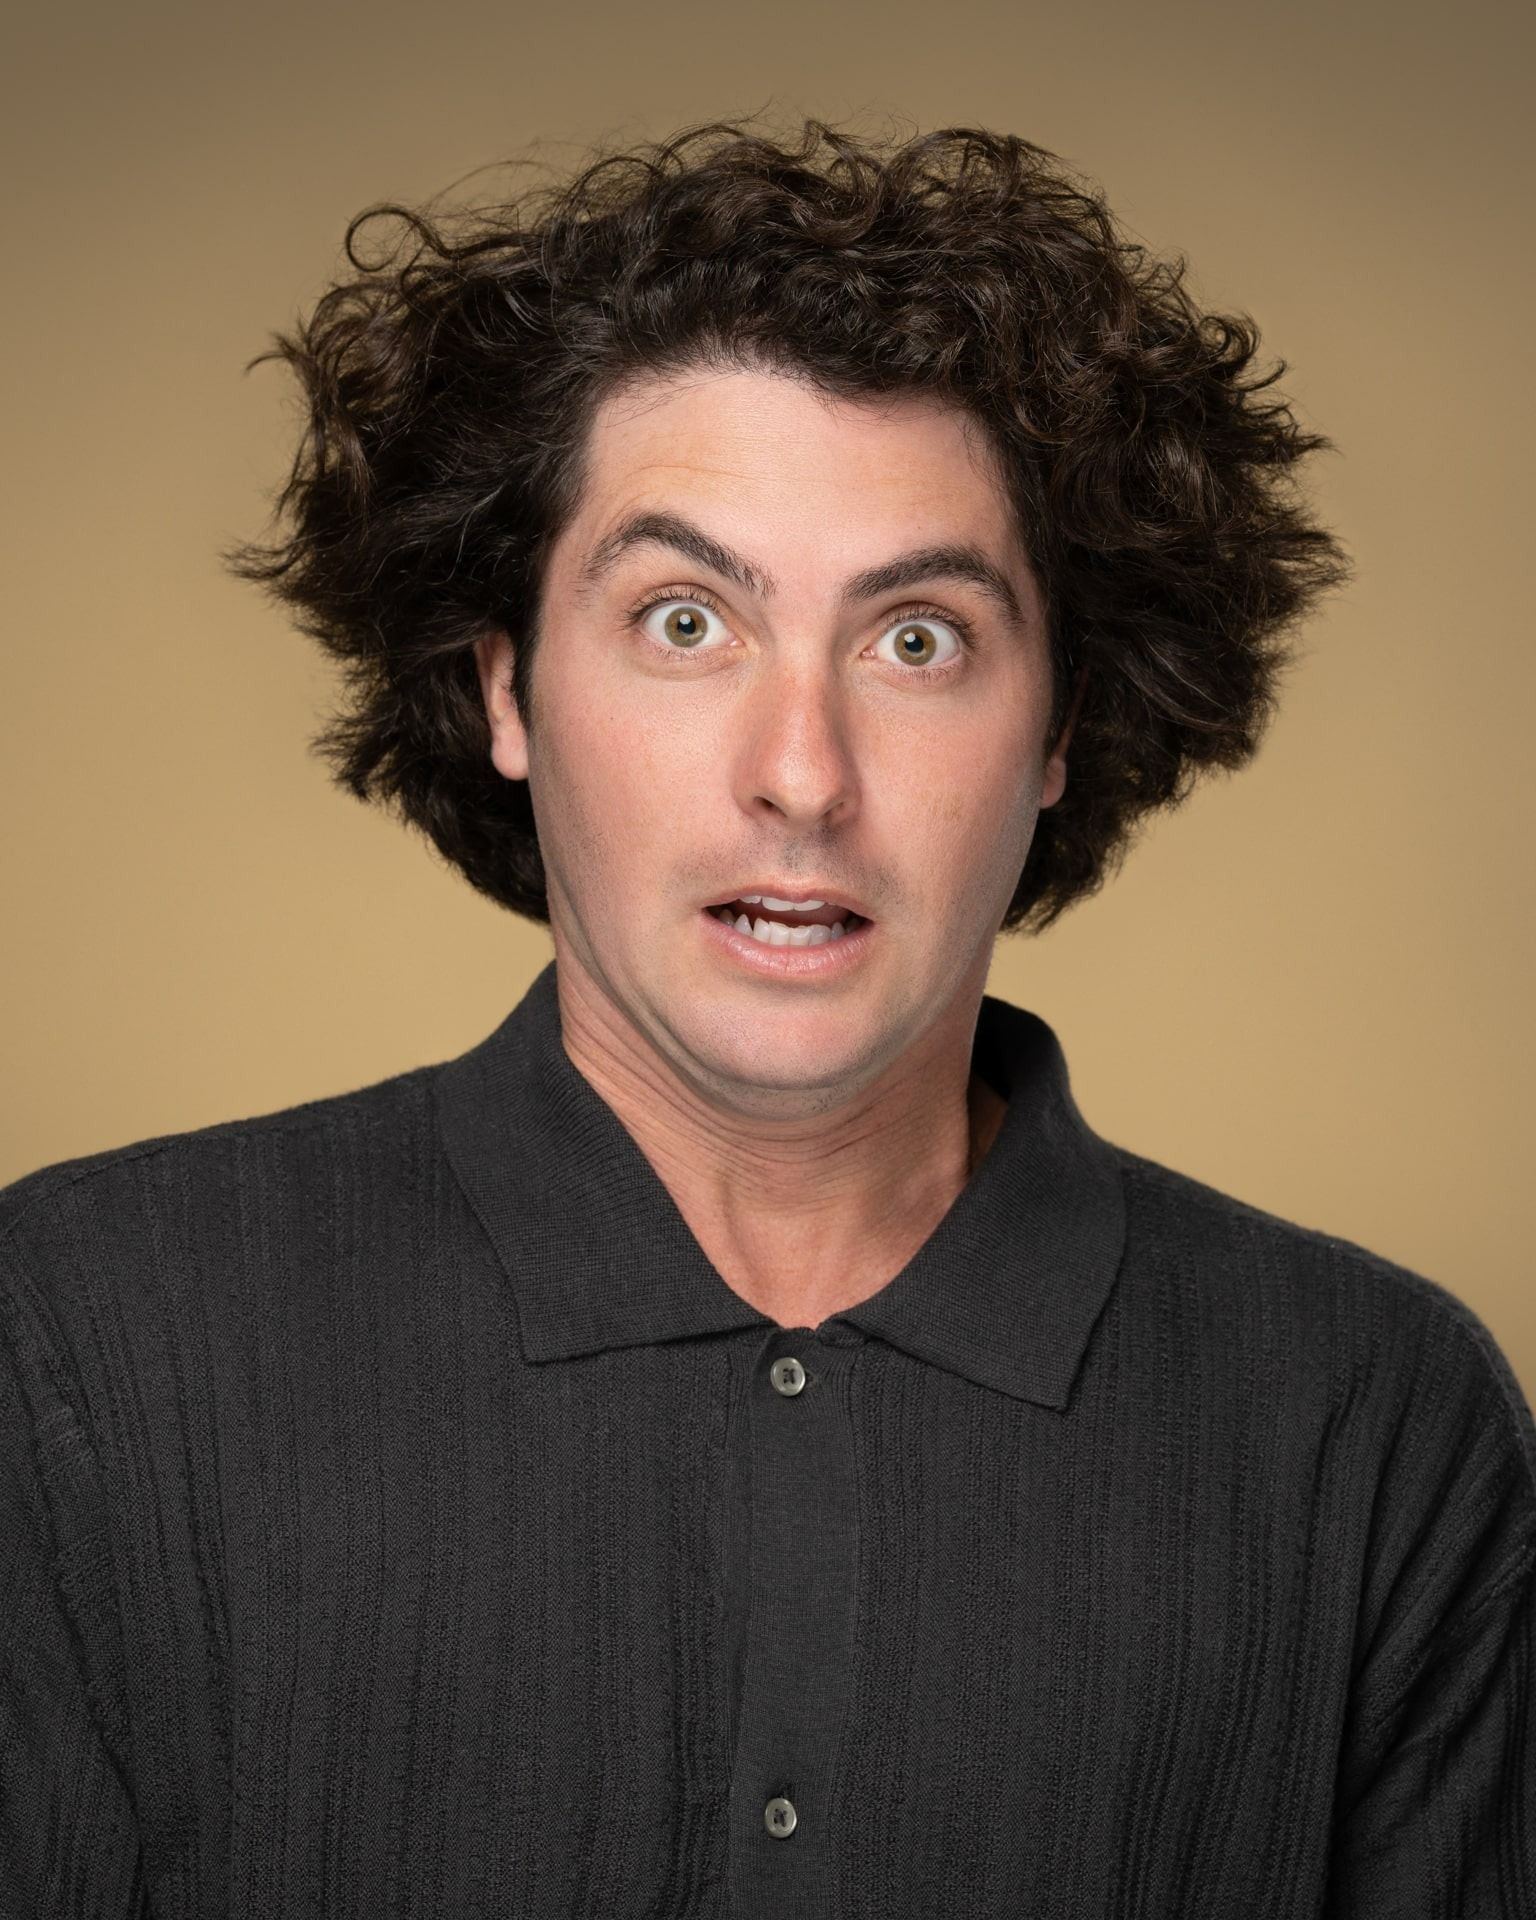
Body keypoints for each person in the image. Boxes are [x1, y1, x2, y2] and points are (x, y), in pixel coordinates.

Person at [2, 115, 1531, 1918]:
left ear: (1059, 733)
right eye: (681, 620)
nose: (800, 775)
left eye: (918, 641)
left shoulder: (1374, 1426)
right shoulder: (80, 1348)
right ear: (505, 687)